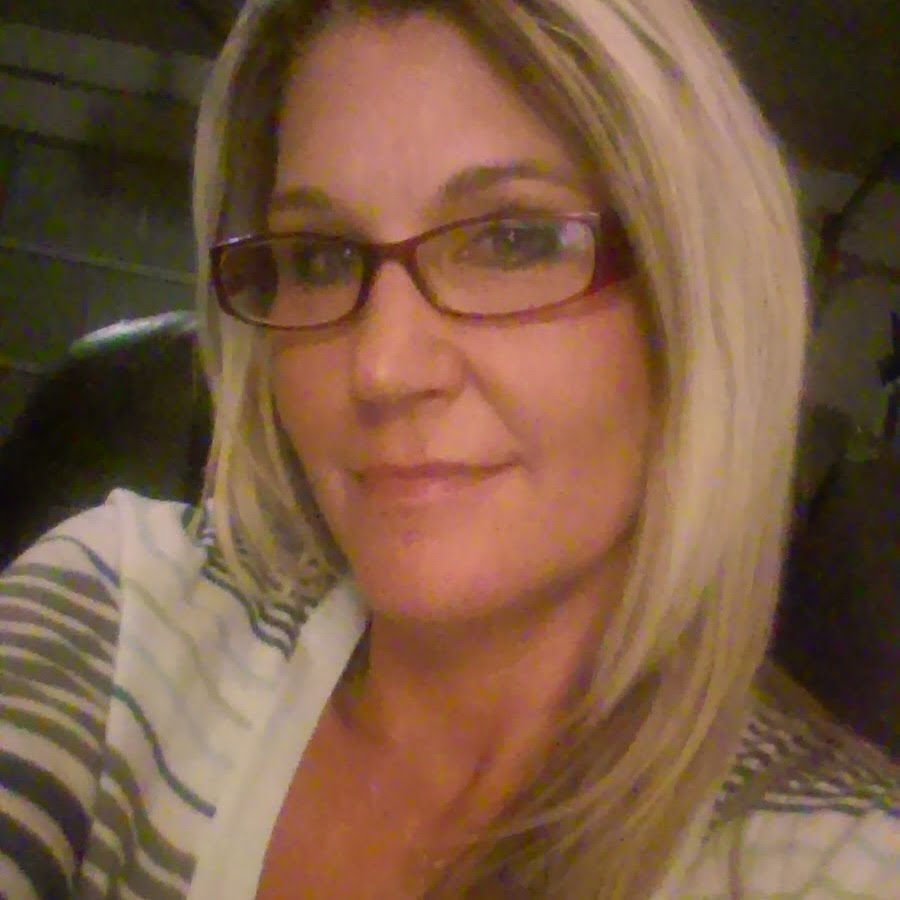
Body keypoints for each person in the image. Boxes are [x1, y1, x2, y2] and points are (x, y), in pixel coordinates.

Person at [0, 0, 896, 897]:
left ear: (693, 305)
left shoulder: (832, 864)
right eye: (318, 258)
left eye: (512, 241)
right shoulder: (121, 618)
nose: (383, 368)